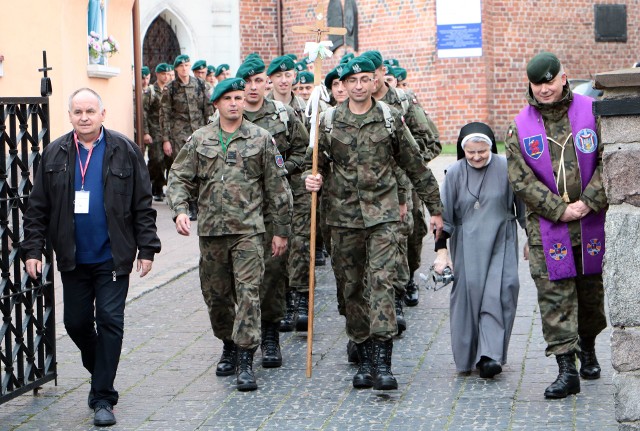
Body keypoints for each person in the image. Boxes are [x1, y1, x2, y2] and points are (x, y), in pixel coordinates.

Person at [23, 88, 161, 426]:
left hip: (113, 255)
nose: (84, 117)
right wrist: (33, 250)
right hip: (72, 257)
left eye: (90, 111)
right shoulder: (54, 153)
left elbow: (143, 204)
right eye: (77, 111)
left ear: (102, 113)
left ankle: (103, 397)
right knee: (76, 323)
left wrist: (148, 248)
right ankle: (101, 369)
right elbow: (37, 208)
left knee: (111, 321)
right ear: (69, 115)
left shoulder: (124, 150)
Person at [305, 57, 443, 391]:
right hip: (342, 217)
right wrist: (310, 180)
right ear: (343, 85)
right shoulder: (328, 121)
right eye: (351, 81)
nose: (358, 86)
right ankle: (363, 355)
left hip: (382, 216)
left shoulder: (390, 118)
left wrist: (435, 208)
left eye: (364, 79)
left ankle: (383, 361)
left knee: (382, 283)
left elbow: (414, 164)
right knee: (351, 287)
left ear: (373, 81)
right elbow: (313, 165)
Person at [167, 78, 293, 391]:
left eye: (239, 98)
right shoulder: (200, 139)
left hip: (249, 231)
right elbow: (179, 177)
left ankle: (246, 360)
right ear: (217, 104)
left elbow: (278, 187)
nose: (235, 103)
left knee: (249, 292)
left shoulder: (261, 139)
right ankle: (228, 343)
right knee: (217, 296)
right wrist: (180, 209)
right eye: (228, 99)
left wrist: (281, 231)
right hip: (211, 232)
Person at [505, 52, 608, 399]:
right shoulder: (519, 127)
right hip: (548, 229)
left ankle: (589, 347)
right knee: (554, 298)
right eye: (538, 83)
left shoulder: (592, 112)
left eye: (550, 81)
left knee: (590, 295)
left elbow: (610, 159)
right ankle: (567, 369)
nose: (545, 89)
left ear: (563, 78)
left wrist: (588, 201)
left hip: (591, 222)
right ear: (531, 85)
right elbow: (521, 180)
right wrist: (558, 210)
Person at [433, 122, 524, 378]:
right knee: (469, 297)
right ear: (463, 151)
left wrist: (533, 239)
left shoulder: (506, 168)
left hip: (501, 240)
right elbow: (444, 218)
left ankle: (490, 356)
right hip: (466, 244)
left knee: (501, 290)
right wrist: (442, 253)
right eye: (471, 152)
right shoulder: (454, 173)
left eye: (482, 151)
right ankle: (468, 355)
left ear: (491, 147)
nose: (476, 157)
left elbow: (524, 208)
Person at [236, 56, 309, 355]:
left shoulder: (283, 115)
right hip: (240, 209)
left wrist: (284, 169)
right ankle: (236, 342)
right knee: (240, 277)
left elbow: (303, 150)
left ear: (266, 82)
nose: (253, 87)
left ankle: (269, 336)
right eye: (247, 82)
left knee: (273, 271)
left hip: (275, 204)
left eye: (258, 81)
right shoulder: (228, 115)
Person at [160, 54, 213, 220]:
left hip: (199, 131)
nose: (184, 69)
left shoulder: (200, 85)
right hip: (179, 134)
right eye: (181, 66)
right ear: (176, 68)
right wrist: (166, 140)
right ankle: (188, 204)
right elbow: (165, 115)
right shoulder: (171, 88)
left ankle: (198, 202)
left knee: (201, 167)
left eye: (187, 65)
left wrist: (211, 132)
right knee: (184, 168)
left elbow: (208, 110)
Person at [146, 63, 173, 201]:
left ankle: (170, 189)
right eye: (163, 74)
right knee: (157, 159)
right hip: (155, 129)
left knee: (171, 160)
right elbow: (144, 113)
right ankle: (156, 186)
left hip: (169, 130)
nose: (166, 77)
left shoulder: (171, 89)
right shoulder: (151, 91)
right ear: (157, 74)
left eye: (168, 74)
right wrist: (145, 132)